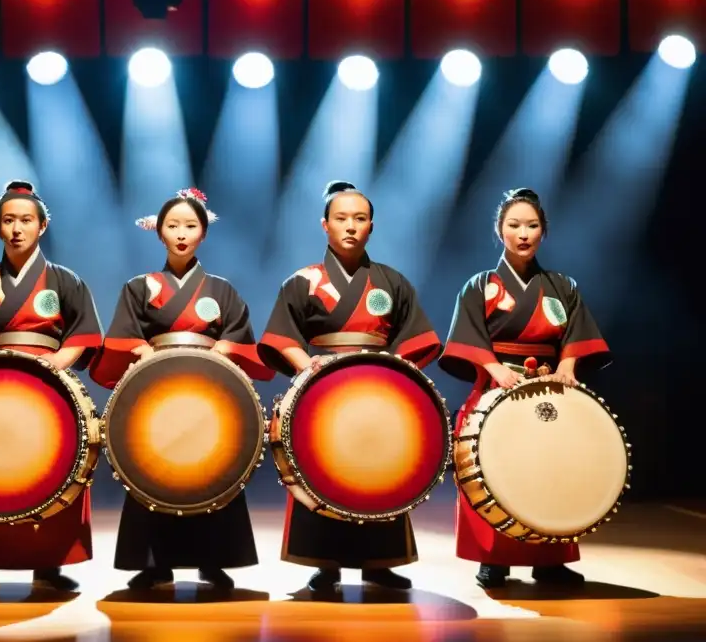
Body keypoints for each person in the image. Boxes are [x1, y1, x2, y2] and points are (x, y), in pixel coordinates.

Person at [257, 180, 442, 594]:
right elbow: (281, 336)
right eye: (341, 219)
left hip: (378, 392)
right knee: (318, 466)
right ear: (325, 225)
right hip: (320, 390)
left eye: (359, 219)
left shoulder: (391, 281)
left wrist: (393, 375)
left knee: (380, 468)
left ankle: (382, 562)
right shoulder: (303, 281)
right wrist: (308, 367)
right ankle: (324, 563)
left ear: (372, 226)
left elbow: (414, 341)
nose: (351, 227)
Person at [90, 187, 274, 591]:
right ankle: (154, 562)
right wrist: (144, 351)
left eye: (190, 225)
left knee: (214, 468)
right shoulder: (139, 287)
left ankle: (215, 560)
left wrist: (222, 348)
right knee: (151, 468)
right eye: (173, 225)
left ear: (203, 233)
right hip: (157, 393)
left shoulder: (221, 290)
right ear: (159, 232)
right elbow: (125, 335)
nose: (181, 233)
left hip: (209, 395)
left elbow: (238, 334)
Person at [438, 187, 611, 589]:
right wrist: (495, 368)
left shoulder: (561, 285)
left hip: (549, 389)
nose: (523, 233)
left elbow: (575, 334)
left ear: (543, 232)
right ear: (499, 230)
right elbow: (468, 337)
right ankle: (492, 560)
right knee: (491, 472)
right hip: (495, 388)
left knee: (552, 473)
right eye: (514, 225)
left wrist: (567, 365)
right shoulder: (480, 286)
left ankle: (550, 561)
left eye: (532, 226)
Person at [0, 180, 103, 593]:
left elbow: (83, 335)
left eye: (26, 220)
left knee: (54, 466)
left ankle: (49, 562)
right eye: (8, 220)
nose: (16, 228)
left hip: (48, 385)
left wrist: (54, 367)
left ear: (42, 226)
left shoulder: (63, 280)